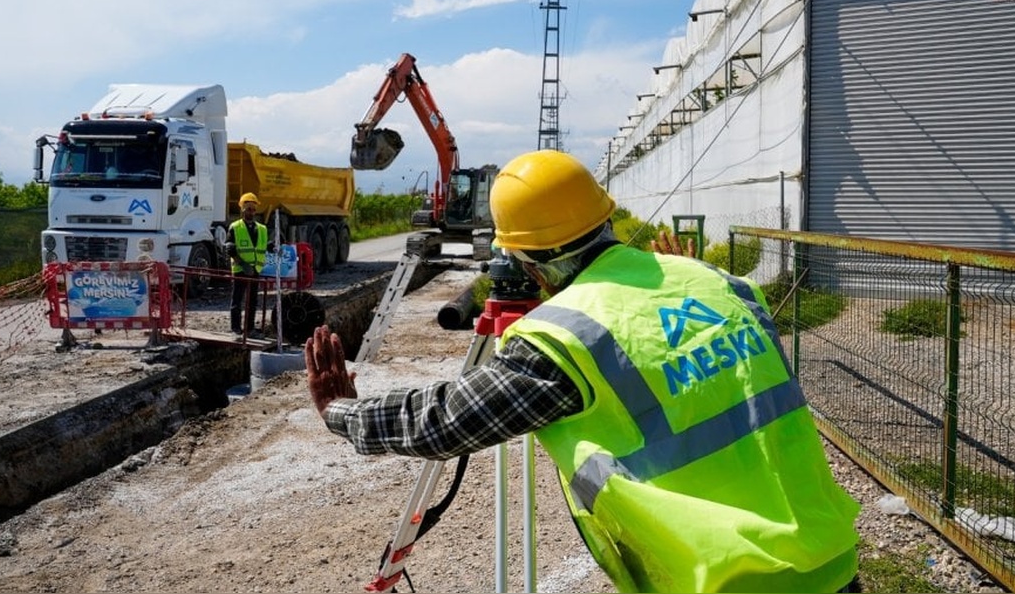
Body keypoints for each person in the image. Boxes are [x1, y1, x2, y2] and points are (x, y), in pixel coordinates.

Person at [305, 150, 860, 593]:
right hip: (828, 555)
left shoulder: (568, 337)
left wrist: (342, 412)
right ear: (607, 218)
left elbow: (444, 422)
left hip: (730, 580)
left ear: (528, 261)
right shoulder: (719, 283)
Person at [226, 192, 275, 338]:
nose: (252, 212)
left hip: (255, 269)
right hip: (241, 269)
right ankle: (236, 329)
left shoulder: (262, 228)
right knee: (237, 300)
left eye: (254, 209)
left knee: (252, 301)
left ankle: (250, 329)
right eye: (249, 209)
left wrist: (271, 246)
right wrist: (242, 264)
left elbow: (261, 247)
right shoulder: (235, 227)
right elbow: (230, 248)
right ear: (242, 209)